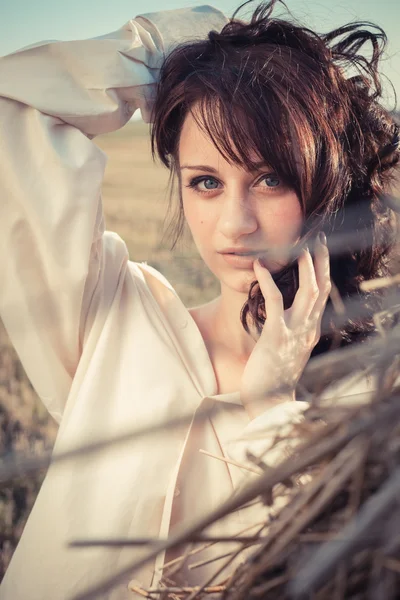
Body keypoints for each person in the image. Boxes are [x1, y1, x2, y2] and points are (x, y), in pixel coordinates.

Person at [0, 0, 398, 598]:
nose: (235, 225)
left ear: (325, 186)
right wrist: (166, 47)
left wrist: (270, 406)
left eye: (270, 178)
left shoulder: (365, 403)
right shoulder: (111, 318)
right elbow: (12, 110)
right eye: (206, 182)